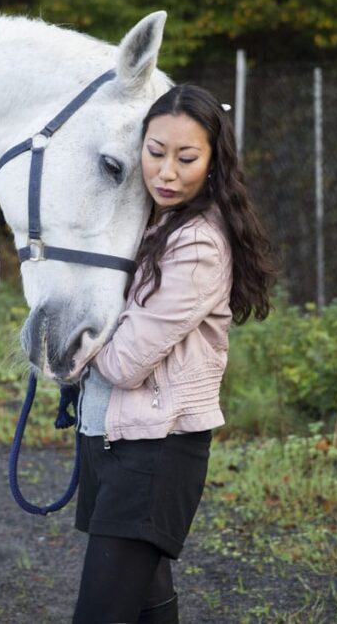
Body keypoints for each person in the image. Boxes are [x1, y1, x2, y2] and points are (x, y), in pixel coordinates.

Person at [72, 84, 275, 623]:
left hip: (155, 452)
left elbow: (122, 363)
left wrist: (73, 335)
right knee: (147, 604)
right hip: (112, 437)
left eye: (186, 158)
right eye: (155, 152)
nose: (166, 172)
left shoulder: (199, 245)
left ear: (213, 162)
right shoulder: (151, 223)